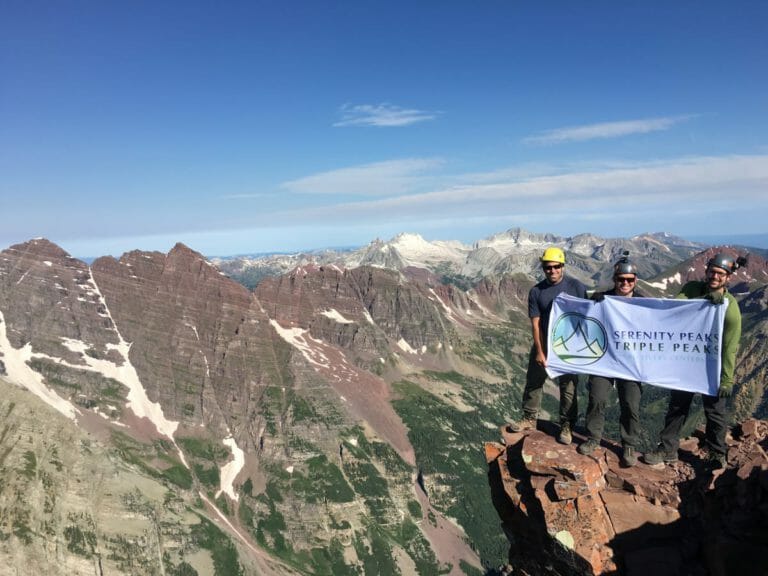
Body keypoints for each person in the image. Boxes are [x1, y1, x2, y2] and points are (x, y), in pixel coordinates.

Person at [644, 253, 744, 469]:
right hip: (686, 362)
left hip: (712, 365)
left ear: (728, 278)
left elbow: (730, 347)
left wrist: (726, 379)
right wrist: (703, 304)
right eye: (712, 271)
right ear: (706, 272)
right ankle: (668, 448)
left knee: (715, 412)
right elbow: (677, 309)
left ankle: (717, 453)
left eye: (720, 273)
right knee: (678, 406)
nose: (715, 276)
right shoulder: (691, 289)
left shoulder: (731, 310)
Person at [508, 247, 587, 444]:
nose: (552, 271)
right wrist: (540, 350)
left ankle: (567, 425)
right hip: (544, 343)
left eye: (556, 267)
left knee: (568, 387)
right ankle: (529, 417)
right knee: (534, 381)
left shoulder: (577, 287)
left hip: (567, 347)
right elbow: (535, 323)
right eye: (547, 267)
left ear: (563, 266)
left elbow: (587, 315)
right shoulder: (536, 291)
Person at [577, 254, 644, 467]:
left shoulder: (646, 304)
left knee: (630, 404)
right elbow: (583, 317)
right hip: (603, 360)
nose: (625, 283)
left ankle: (629, 445)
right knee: (596, 399)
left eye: (629, 280)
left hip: (630, 362)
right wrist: (592, 302)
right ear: (614, 280)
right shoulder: (602, 299)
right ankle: (593, 438)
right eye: (620, 279)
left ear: (635, 280)